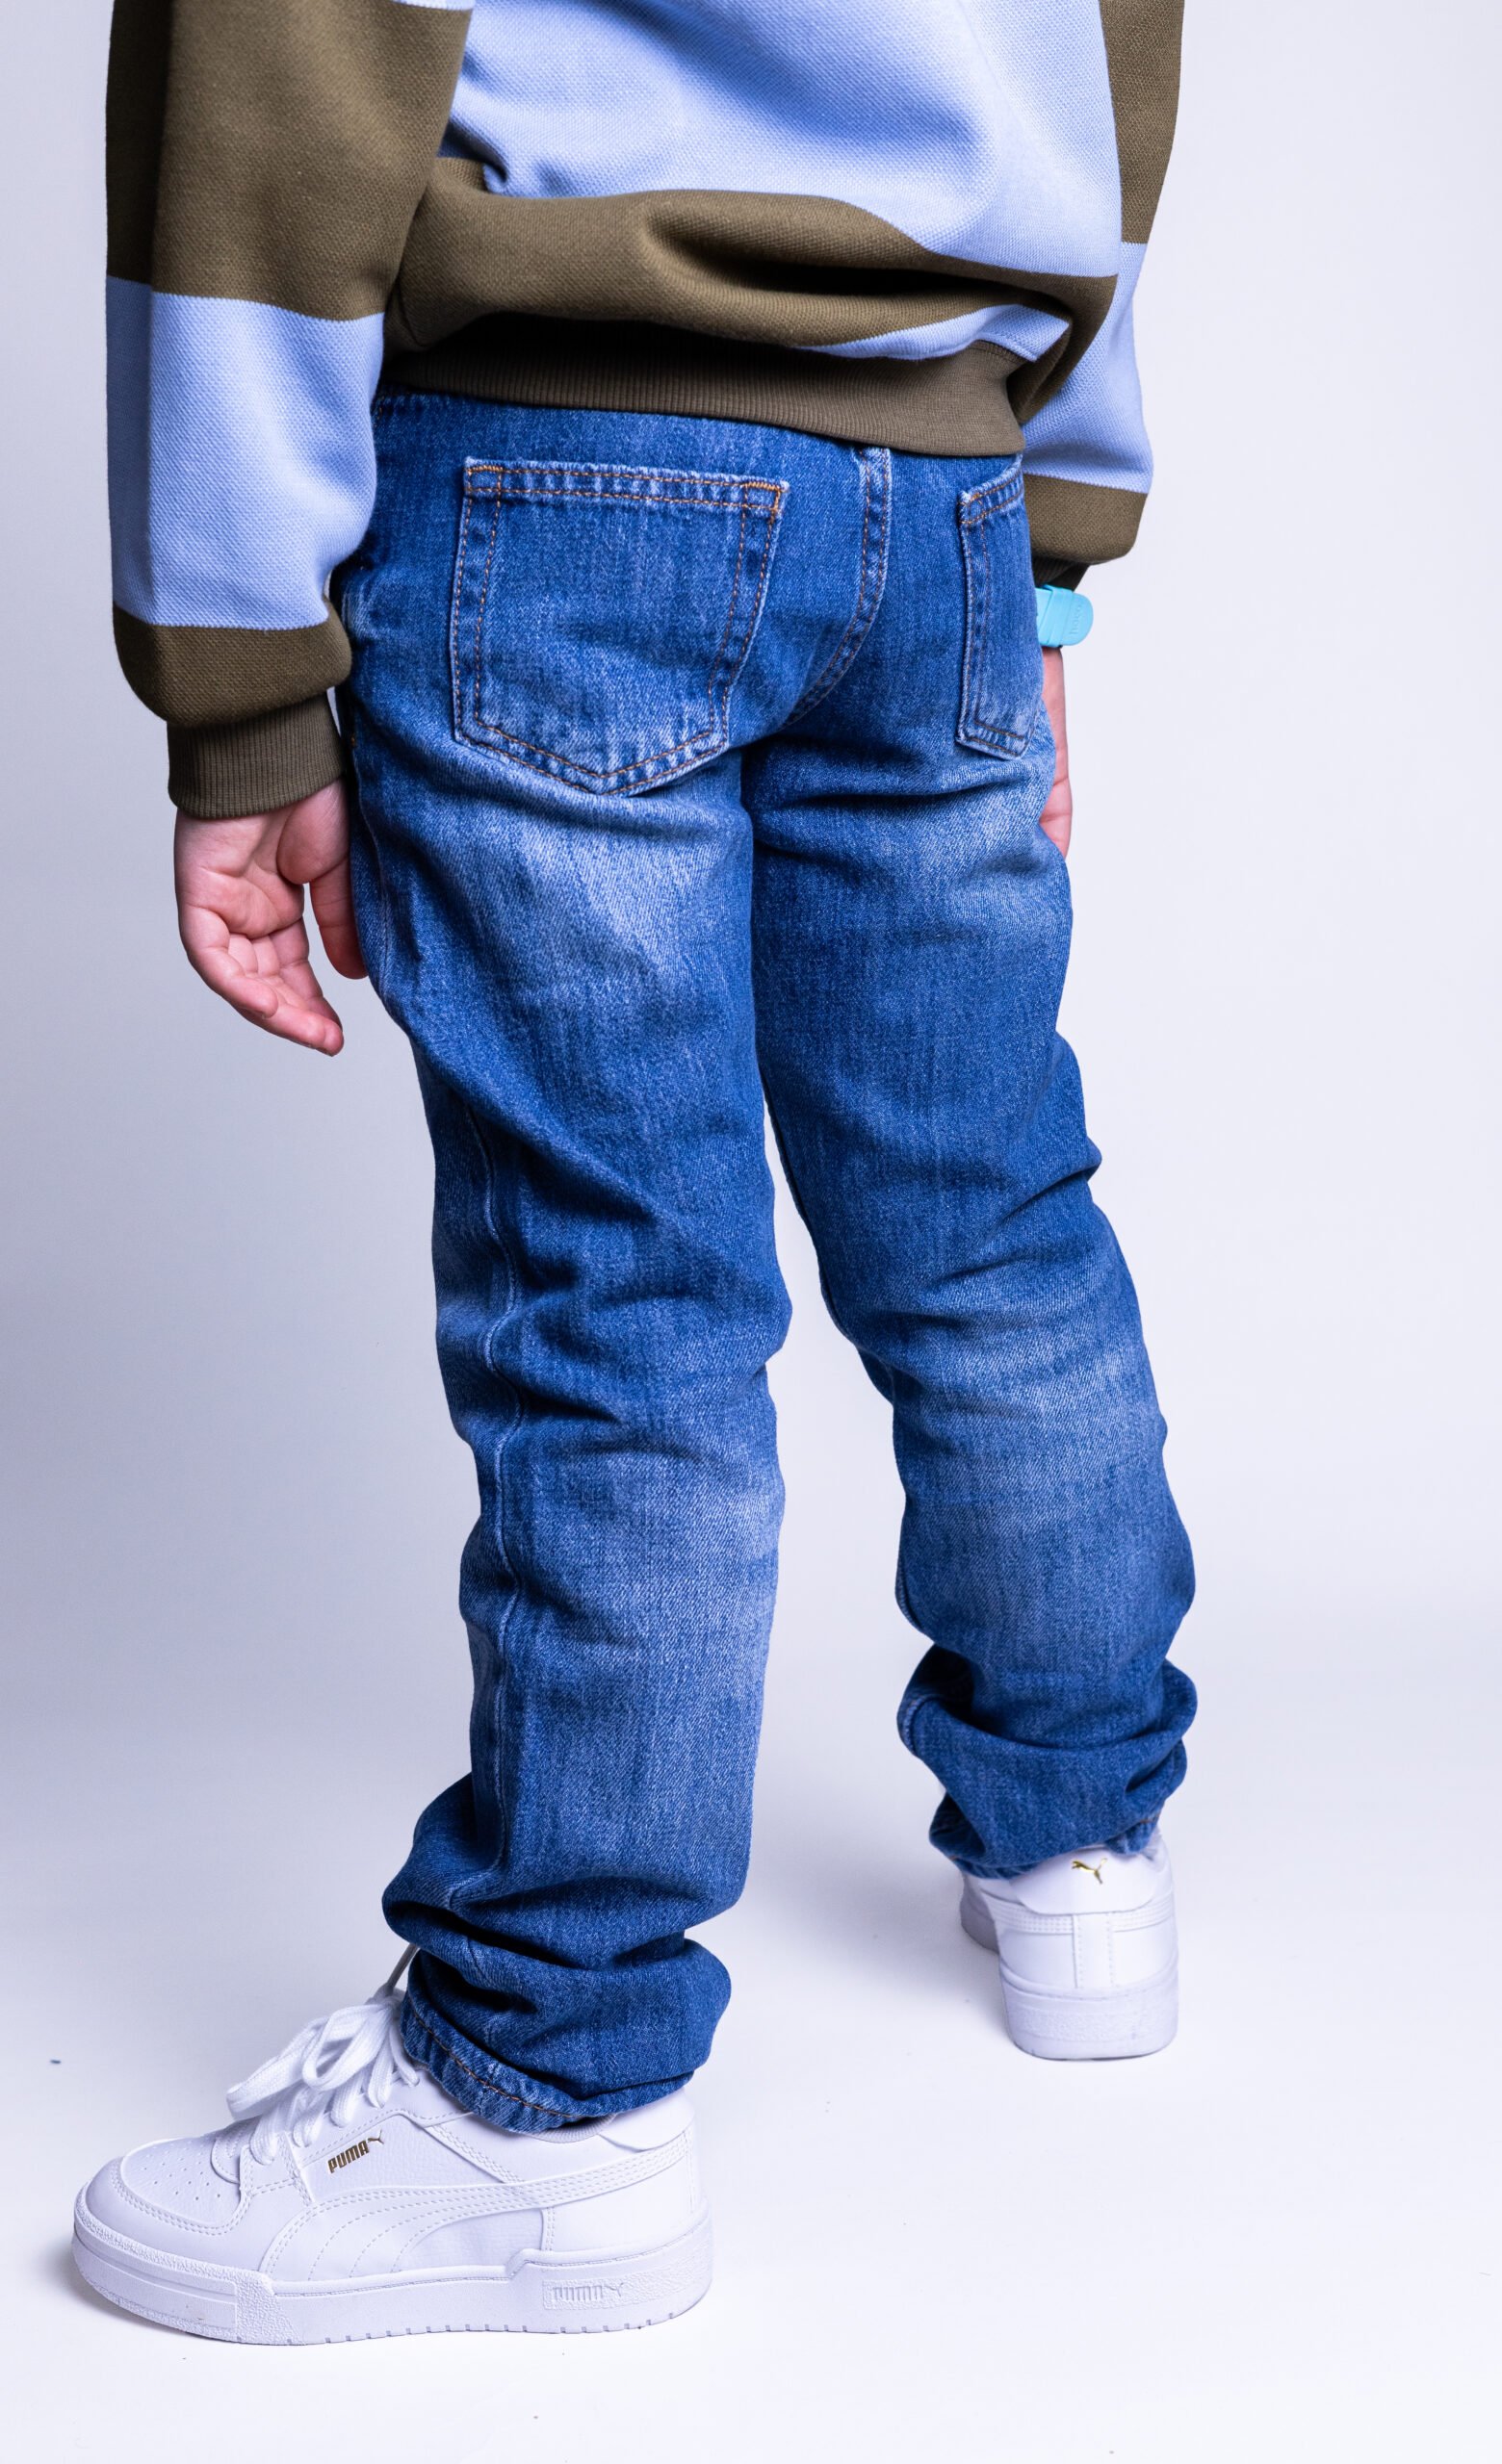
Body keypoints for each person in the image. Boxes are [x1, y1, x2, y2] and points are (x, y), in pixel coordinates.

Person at [74, 0, 1197, 2343]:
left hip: (564, 475)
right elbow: (1116, 43)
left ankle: (546, 2086)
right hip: (941, 479)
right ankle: (1082, 1847)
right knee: (989, 1221)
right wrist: (1051, 531)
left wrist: (238, 678)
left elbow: (278, 69)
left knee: (624, 1301)